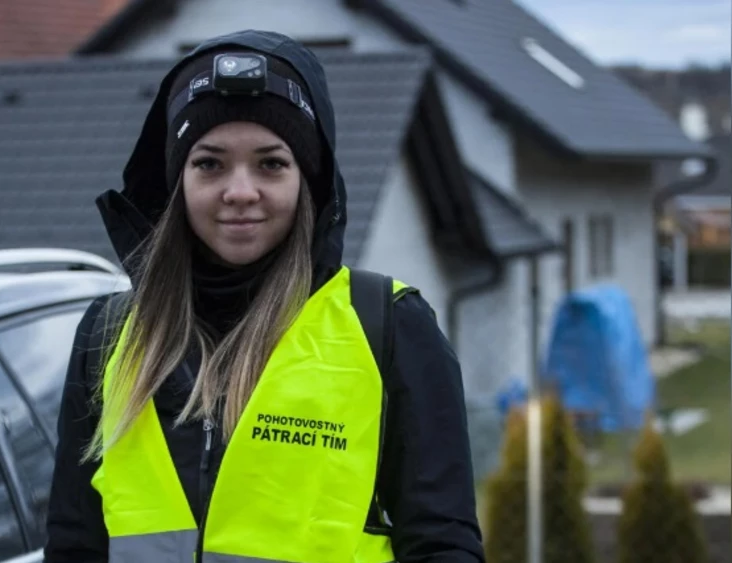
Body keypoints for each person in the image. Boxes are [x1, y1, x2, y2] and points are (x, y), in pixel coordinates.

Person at [44, 29, 485, 563]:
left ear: (308, 181)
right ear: (175, 180)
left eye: (271, 163)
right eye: (209, 163)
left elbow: (444, 545)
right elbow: (74, 544)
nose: (240, 191)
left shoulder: (386, 326)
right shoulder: (110, 337)